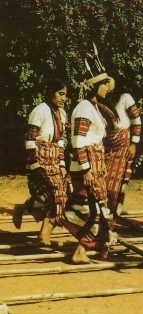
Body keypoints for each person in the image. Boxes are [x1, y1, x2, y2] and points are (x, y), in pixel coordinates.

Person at [61, 50, 116, 264]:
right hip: (87, 165)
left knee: (95, 208)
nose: (106, 89)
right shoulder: (84, 108)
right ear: (94, 86)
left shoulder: (94, 107)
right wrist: (86, 169)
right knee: (90, 209)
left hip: (94, 163)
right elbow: (78, 141)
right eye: (103, 85)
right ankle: (60, 223)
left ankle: (81, 250)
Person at [12, 78, 70, 245]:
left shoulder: (62, 113)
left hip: (54, 159)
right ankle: (44, 235)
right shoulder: (39, 111)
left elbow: (60, 141)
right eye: (60, 94)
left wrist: (62, 164)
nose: (63, 98)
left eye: (65, 95)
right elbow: (30, 139)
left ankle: (22, 209)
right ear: (50, 92)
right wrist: (34, 164)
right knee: (51, 194)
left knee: (58, 194)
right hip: (39, 157)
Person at [97, 72, 141, 222]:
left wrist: (134, 144)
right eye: (105, 82)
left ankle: (112, 215)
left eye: (110, 80)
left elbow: (136, 120)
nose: (107, 84)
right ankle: (103, 214)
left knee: (115, 181)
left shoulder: (125, 97)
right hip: (106, 144)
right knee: (103, 179)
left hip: (122, 145)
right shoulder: (101, 100)